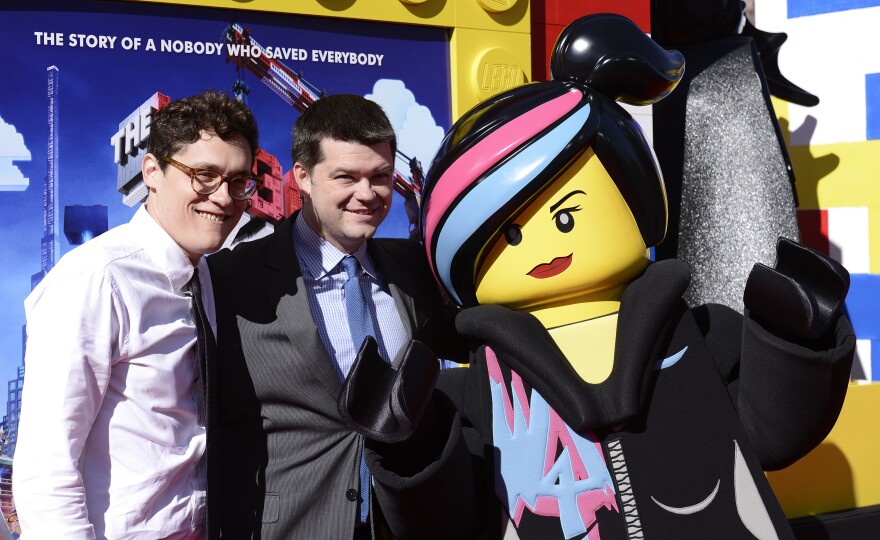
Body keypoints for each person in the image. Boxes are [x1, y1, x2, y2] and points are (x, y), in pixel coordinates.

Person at [340, 14, 855, 539]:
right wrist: (413, 445)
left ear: (638, 201)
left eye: (566, 216)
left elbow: (774, 433)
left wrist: (798, 340)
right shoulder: (477, 391)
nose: (543, 245)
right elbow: (446, 519)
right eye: (510, 235)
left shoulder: (704, 335)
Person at [207, 93, 462, 539]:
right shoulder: (230, 279)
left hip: (406, 521)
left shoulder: (414, 270)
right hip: (288, 526)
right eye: (347, 176)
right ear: (302, 177)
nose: (368, 194)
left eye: (380, 177)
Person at [13, 89, 260, 539]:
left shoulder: (200, 275)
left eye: (238, 180)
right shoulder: (96, 278)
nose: (224, 198)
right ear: (152, 171)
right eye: (204, 175)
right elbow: (46, 468)